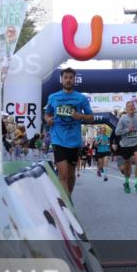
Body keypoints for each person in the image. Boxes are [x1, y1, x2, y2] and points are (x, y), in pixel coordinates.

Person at [43, 67, 94, 196]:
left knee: (71, 175)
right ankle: (66, 207)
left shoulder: (81, 98)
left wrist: (80, 116)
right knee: (63, 174)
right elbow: (47, 114)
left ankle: (69, 197)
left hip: (74, 140)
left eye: (71, 78)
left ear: (74, 80)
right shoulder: (53, 97)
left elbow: (91, 117)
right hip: (58, 139)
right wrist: (48, 120)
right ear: (61, 80)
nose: (68, 80)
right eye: (66, 77)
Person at [114, 102, 137, 193]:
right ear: (126, 109)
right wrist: (127, 130)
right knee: (127, 166)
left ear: (134, 108)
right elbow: (117, 132)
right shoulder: (123, 119)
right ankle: (127, 182)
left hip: (136, 142)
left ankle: (136, 183)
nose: (131, 108)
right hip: (125, 145)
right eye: (129, 107)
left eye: (132, 106)